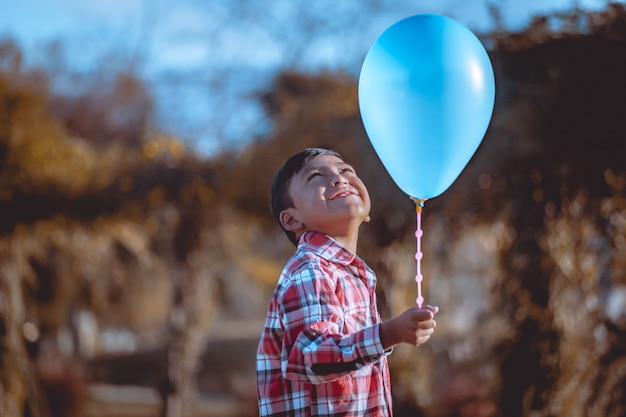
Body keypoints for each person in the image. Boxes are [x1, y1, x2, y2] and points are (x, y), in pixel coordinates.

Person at [256, 148, 438, 416]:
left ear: (365, 212)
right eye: (316, 176)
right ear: (292, 219)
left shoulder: (352, 274)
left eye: (345, 171)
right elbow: (312, 356)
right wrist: (390, 333)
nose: (339, 179)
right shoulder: (310, 270)